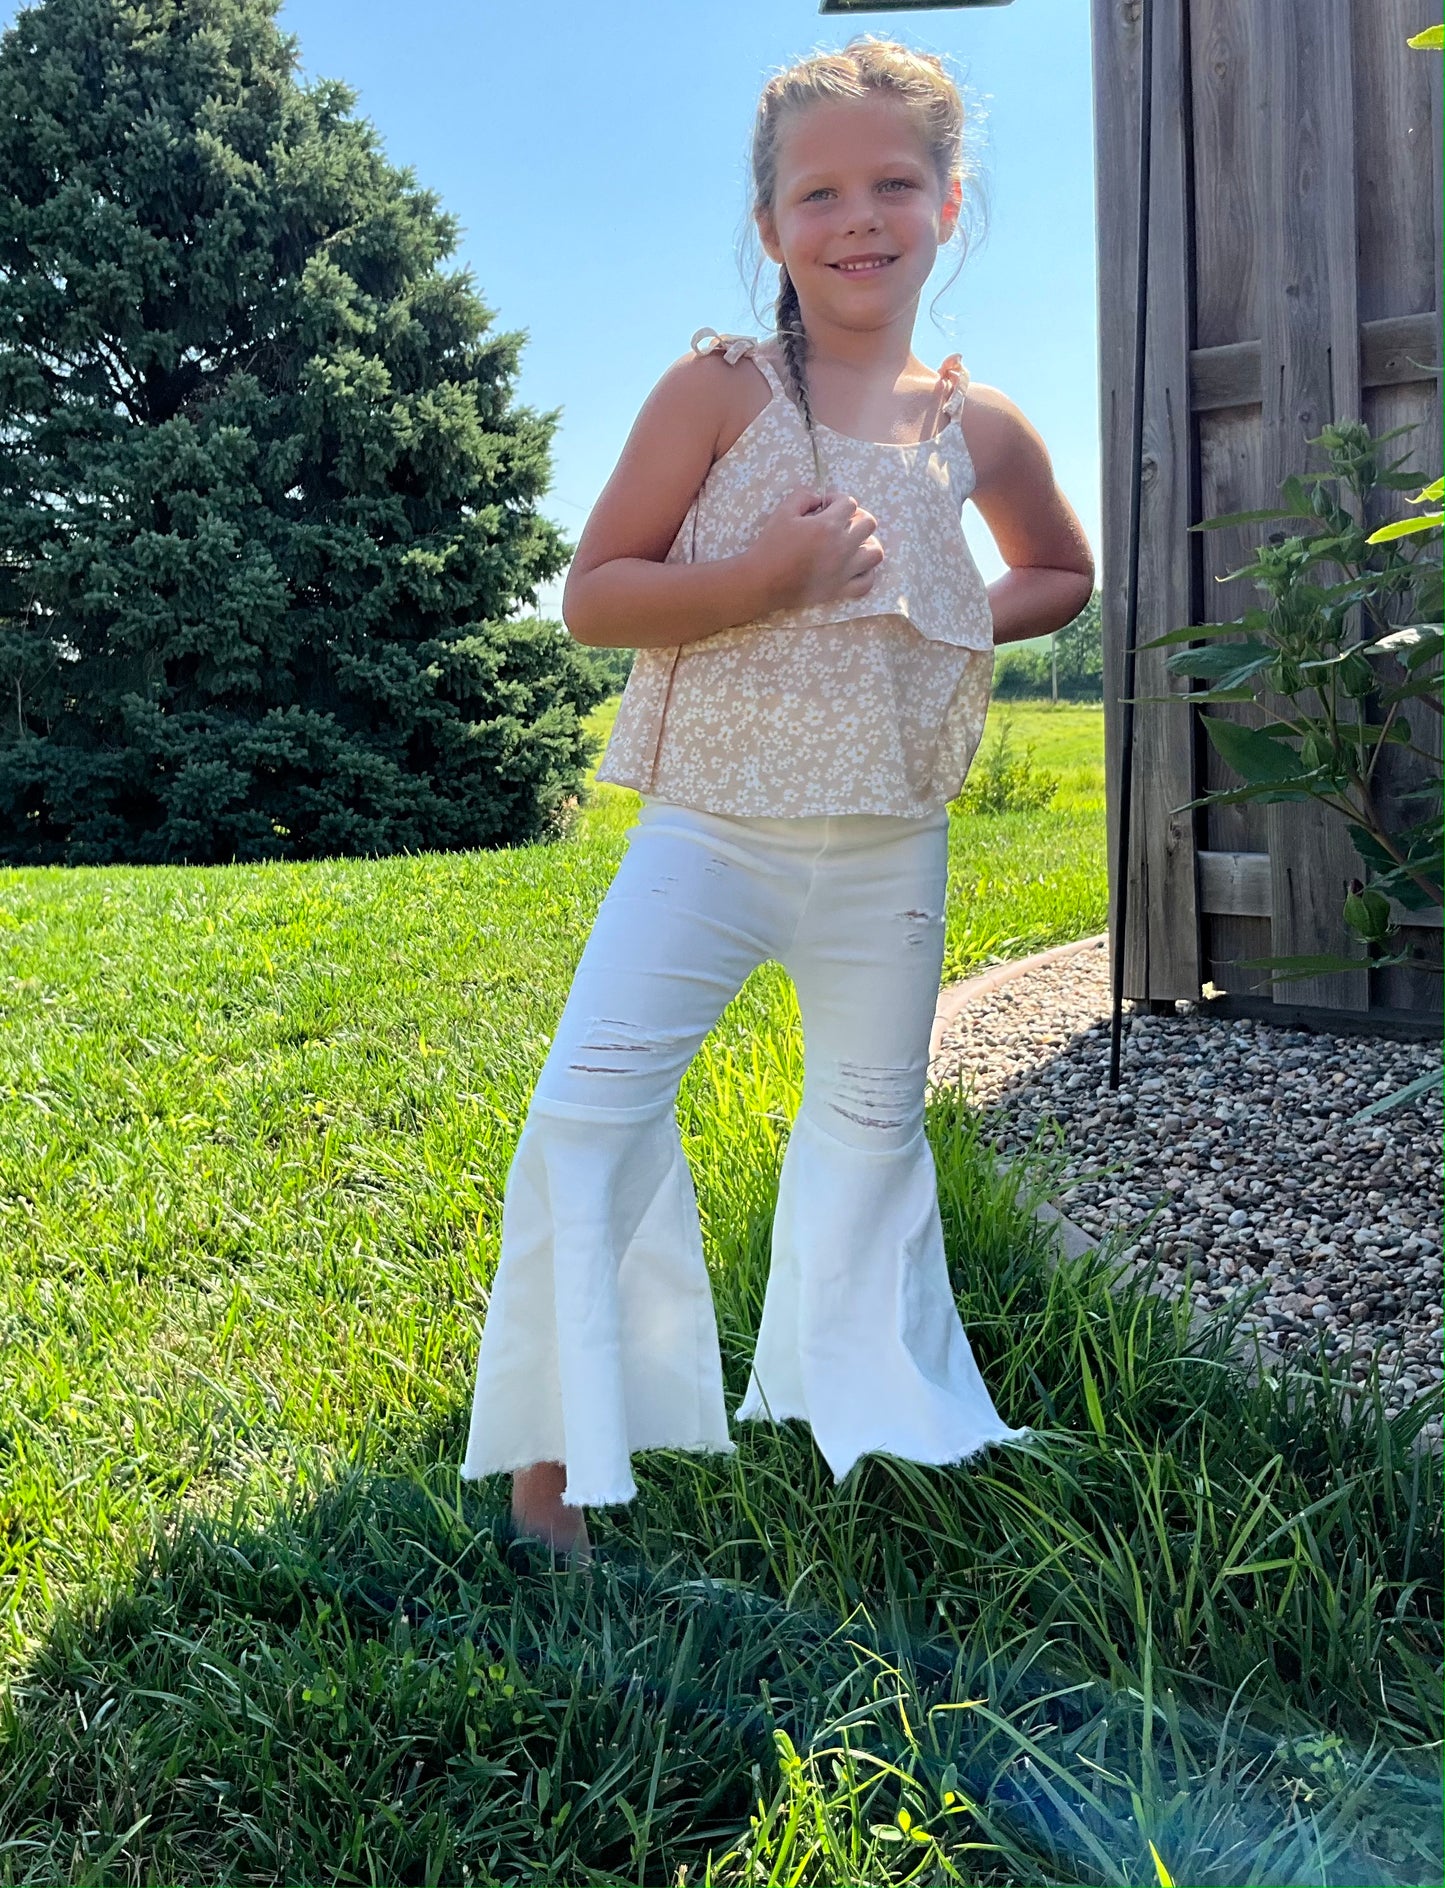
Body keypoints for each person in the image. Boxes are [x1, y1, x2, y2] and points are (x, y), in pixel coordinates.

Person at [461, 36, 1095, 1563]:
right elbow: (597, 596)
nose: (857, 216)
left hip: (889, 847)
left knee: (871, 1126)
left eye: (895, 182)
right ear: (770, 229)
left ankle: (872, 1415)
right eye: (819, 191)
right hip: (711, 831)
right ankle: (556, 1468)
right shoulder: (719, 389)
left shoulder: (977, 425)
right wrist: (769, 579)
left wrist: (935, 613)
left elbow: (1059, 575)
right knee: (589, 1114)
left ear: (949, 203)